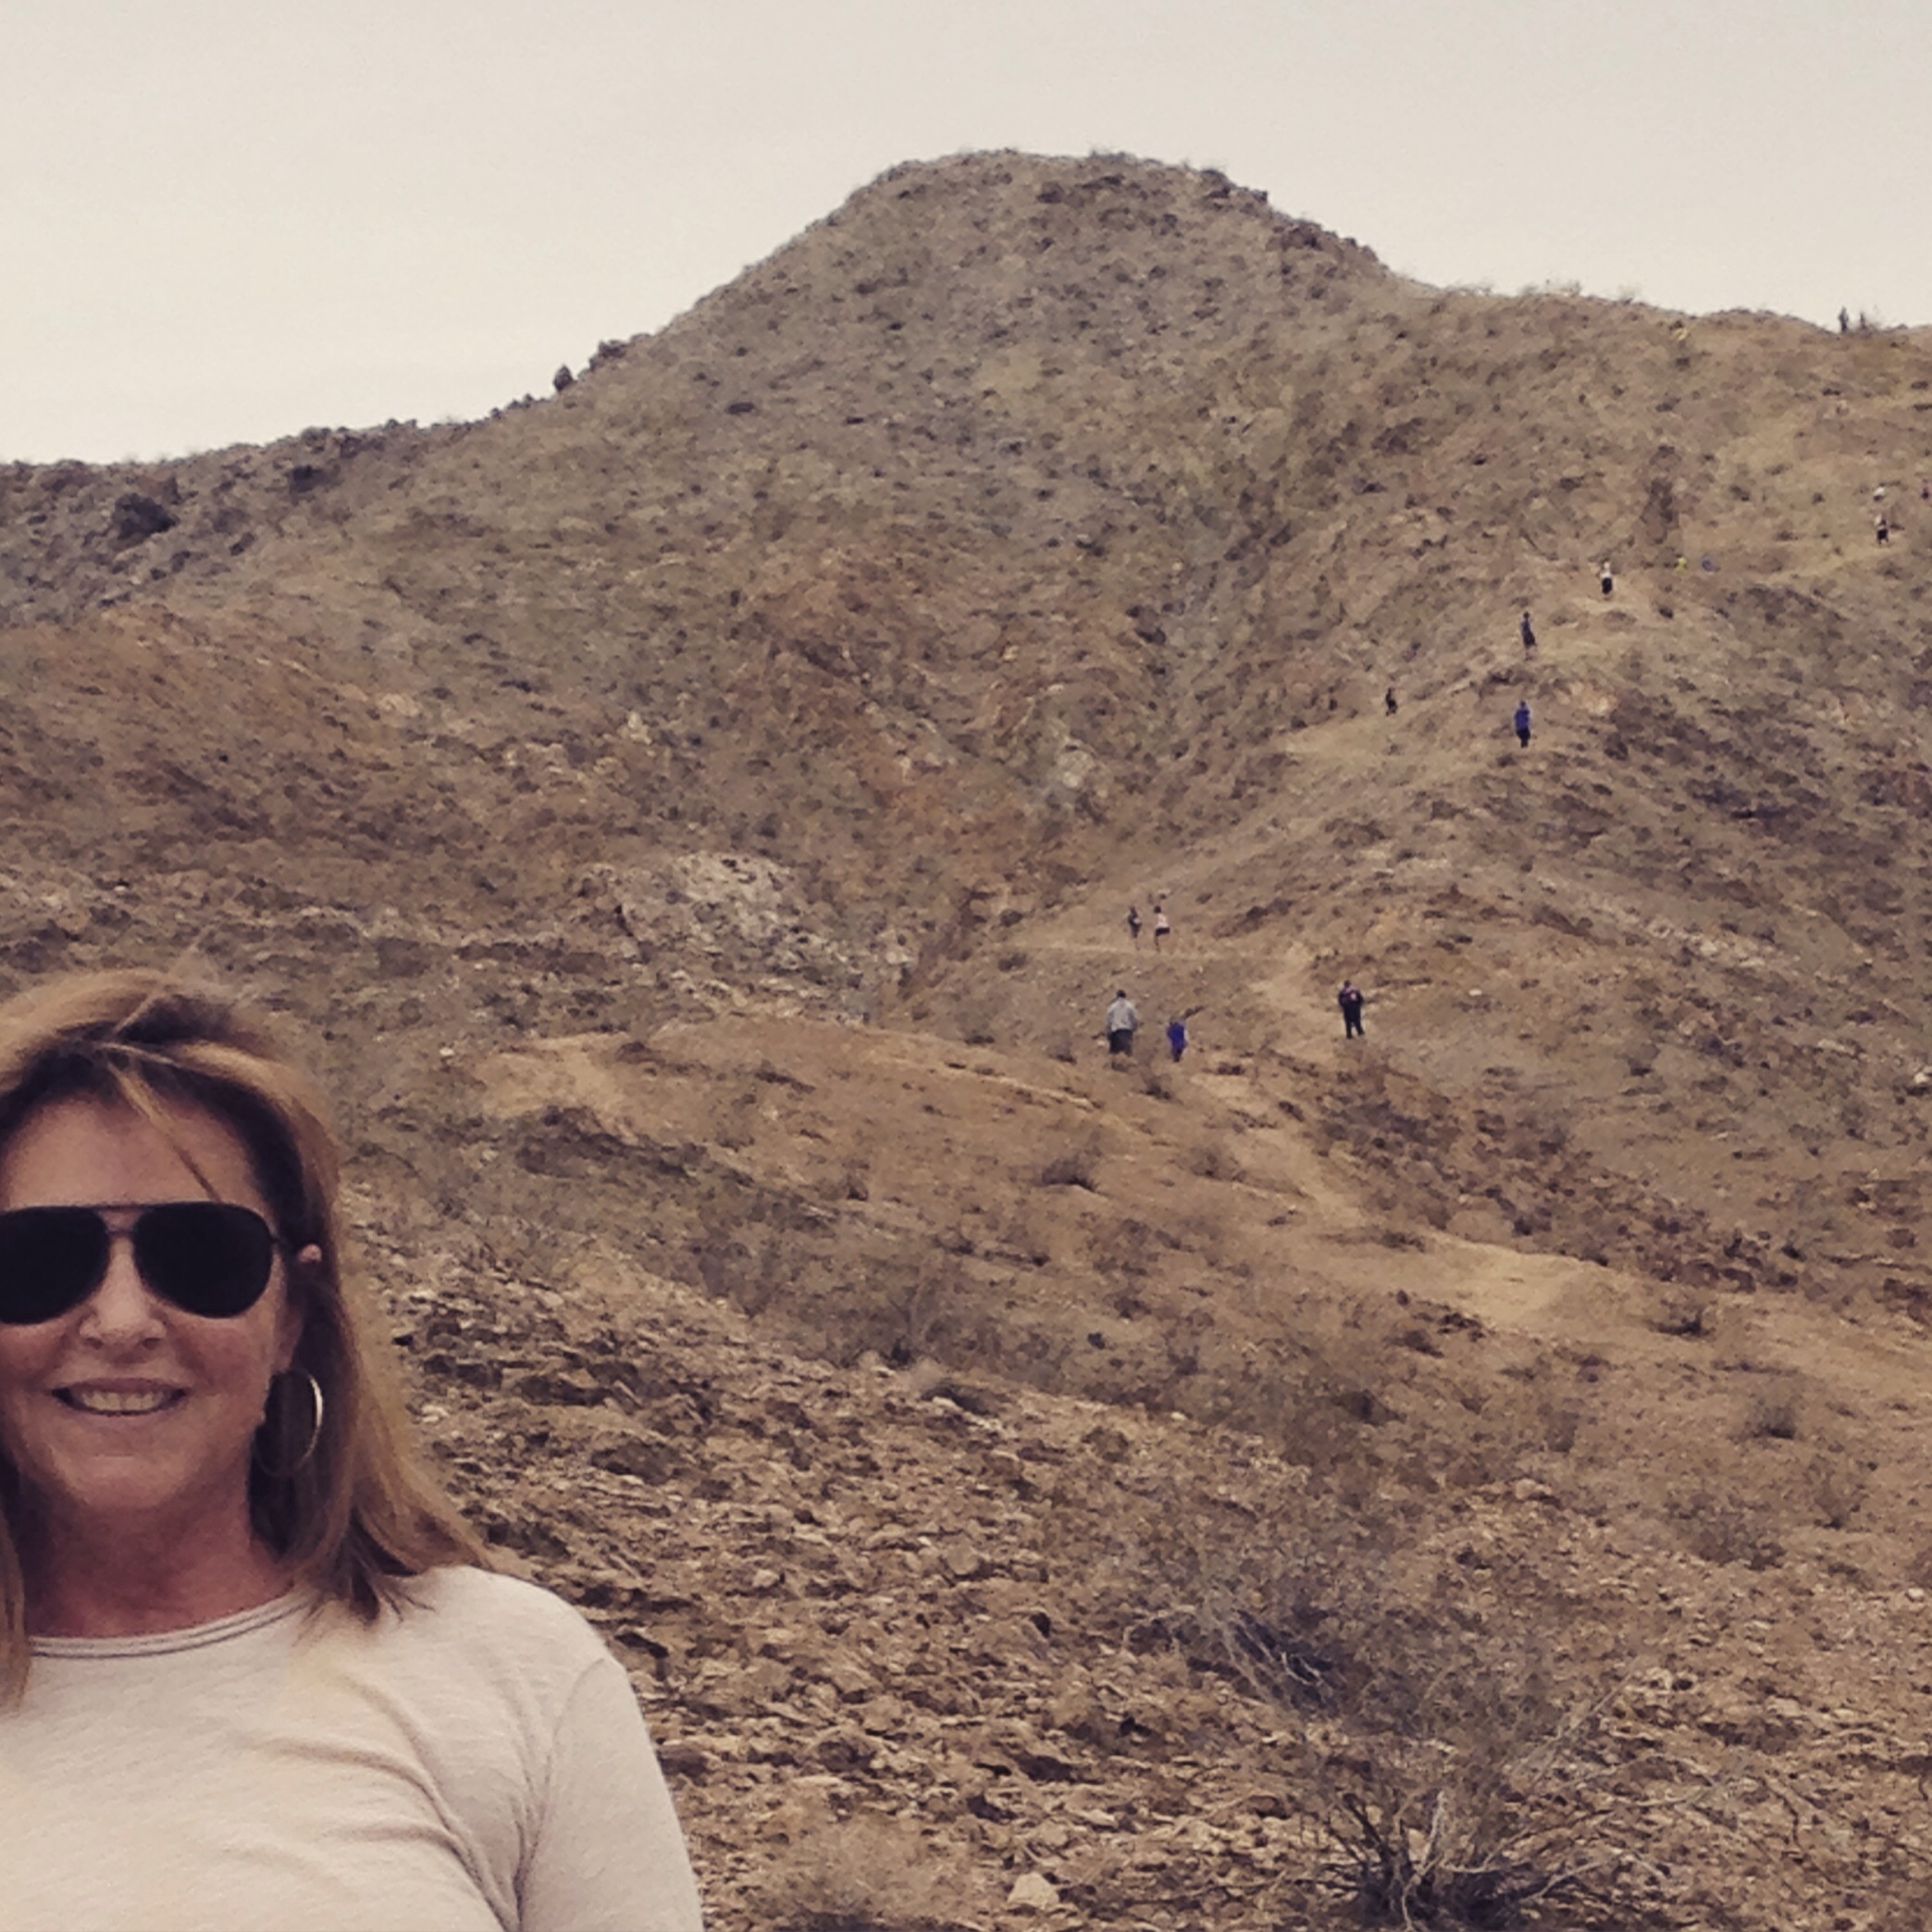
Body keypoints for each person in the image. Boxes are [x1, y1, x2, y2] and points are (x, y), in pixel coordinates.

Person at [0, 971, 704, 1932]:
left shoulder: (513, 1678)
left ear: (292, 1315)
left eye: (200, 1257)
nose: (122, 1321)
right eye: (37, 1262)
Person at [1106, 990, 1138, 1058]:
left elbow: (1109, 1021)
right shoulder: (1130, 1006)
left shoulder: (1112, 1007)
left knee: (1115, 1054)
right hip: (1127, 1032)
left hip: (1116, 1032)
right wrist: (1134, 1028)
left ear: (1117, 996)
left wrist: (1108, 1032)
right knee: (1127, 1053)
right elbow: (1134, 1019)